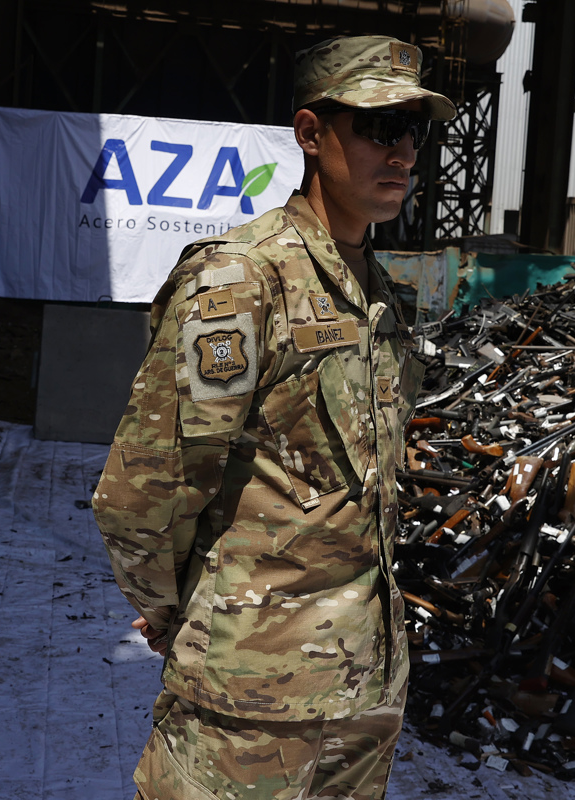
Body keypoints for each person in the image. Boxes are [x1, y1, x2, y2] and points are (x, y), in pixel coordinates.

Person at [92, 34, 454, 800]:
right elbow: (142, 493)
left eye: (414, 131)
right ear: (311, 133)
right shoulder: (242, 280)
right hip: (246, 712)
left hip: (364, 700)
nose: (402, 152)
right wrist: (173, 611)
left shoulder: (384, 296)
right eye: (379, 127)